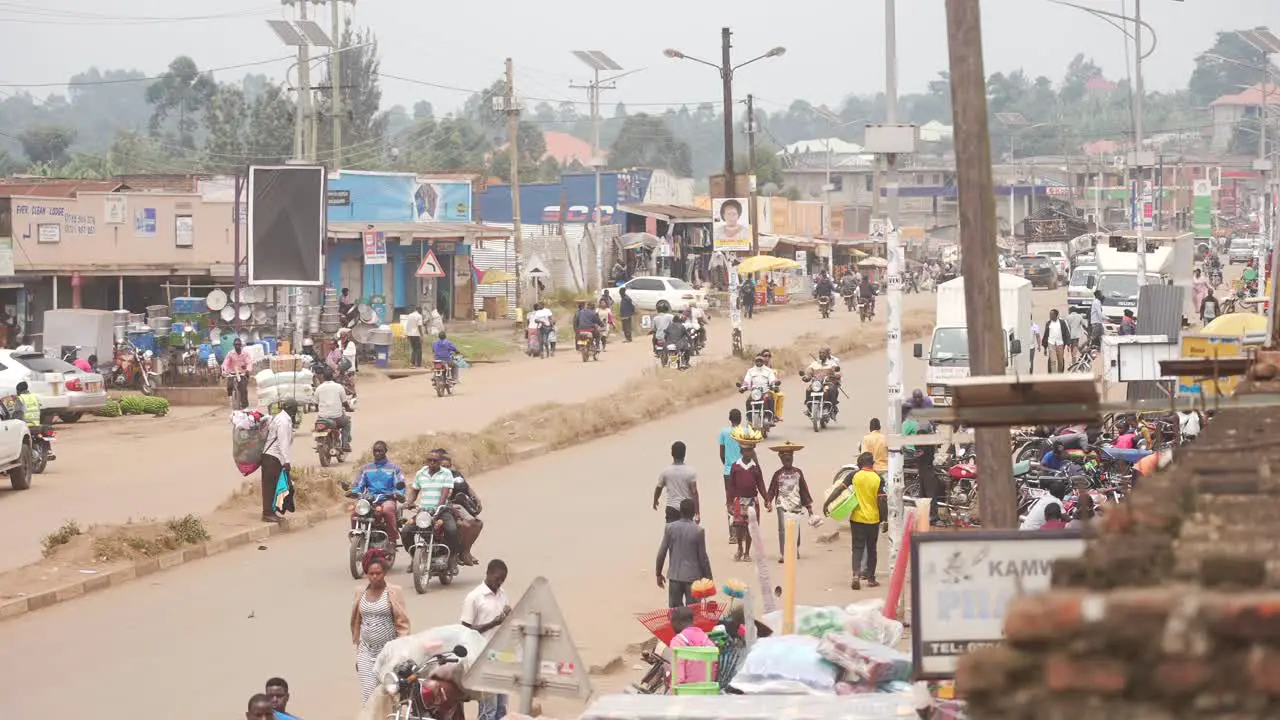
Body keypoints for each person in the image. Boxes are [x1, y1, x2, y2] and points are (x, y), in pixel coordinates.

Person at [350, 548, 411, 704]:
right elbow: (356, 621)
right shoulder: (360, 592)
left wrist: (400, 652)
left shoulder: (394, 592)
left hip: (388, 653)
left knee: (387, 694)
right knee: (369, 695)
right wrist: (357, 647)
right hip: (366, 651)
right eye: (371, 573)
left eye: (378, 573)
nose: (375, 577)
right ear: (366, 573)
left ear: (385, 573)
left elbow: (402, 623)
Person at [461, 559, 512, 720]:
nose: (499, 582)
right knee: (488, 709)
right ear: (488, 573)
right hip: (482, 657)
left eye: (502, 579)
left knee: (502, 708)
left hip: (501, 656)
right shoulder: (474, 597)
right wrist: (493, 623)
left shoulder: (503, 595)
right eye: (497, 578)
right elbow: (465, 629)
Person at [824, 452, 883, 590]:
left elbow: (839, 490)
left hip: (857, 519)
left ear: (860, 464)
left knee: (857, 547)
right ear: (872, 464)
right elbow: (882, 501)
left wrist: (827, 503)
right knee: (872, 549)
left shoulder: (854, 475)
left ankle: (855, 575)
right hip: (873, 519)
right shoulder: (878, 479)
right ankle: (871, 579)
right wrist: (883, 519)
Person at [656, 498, 713, 607]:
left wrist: (658, 574)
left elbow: (661, 552)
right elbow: (703, 558)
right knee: (694, 615)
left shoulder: (670, 528)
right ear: (693, 513)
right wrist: (708, 579)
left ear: (680, 512)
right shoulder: (698, 531)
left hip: (674, 577)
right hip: (693, 579)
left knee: (675, 614)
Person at [725, 428, 769, 562]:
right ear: (741, 451)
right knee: (738, 526)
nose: (749, 453)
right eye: (746, 450)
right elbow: (731, 486)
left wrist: (767, 499)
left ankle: (747, 552)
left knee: (750, 527)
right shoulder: (735, 467)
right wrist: (729, 503)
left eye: (751, 450)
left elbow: (760, 484)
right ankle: (739, 548)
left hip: (752, 501)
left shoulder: (755, 467)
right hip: (739, 500)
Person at [406, 450, 460, 557]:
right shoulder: (420, 473)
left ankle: (452, 558)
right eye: (429, 460)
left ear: (440, 462)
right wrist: (409, 502)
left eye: (435, 461)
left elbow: (444, 494)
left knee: (452, 530)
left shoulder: (446, 473)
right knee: (406, 531)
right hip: (424, 512)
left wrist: (438, 508)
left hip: (441, 511)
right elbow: (414, 491)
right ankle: (414, 557)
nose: (432, 463)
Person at [766, 442, 813, 562]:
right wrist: (768, 502)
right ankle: (783, 553)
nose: (788, 460)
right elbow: (771, 489)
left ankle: (795, 549)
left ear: (792, 458)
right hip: (781, 503)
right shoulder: (778, 474)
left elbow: (803, 490)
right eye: (785, 458)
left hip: (796, 504)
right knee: (782, 528)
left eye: (790, 458)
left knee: (795, 527)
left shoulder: (798, 473)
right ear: (781, 459)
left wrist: (809, 507)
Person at [350, 441, 404, 539]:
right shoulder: (366, 468)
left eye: (380, 451)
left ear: (385, 451)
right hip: (369, 499)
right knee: (354, 512)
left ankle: (392, 539)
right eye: (375, 451)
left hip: (387, 498)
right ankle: (355, 536)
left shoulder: (394, 469)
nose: (377, 453)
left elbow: (400, 484)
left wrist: (398, 493)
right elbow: (359, 484)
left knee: (387, 511)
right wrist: (354, 492)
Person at [260, 402, 297, 524]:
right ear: (292, 410)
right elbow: (283, 442)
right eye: (296, 410)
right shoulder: (284, 421)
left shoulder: (280, 417)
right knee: (270, 486)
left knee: (272, 485)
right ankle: (268, 513)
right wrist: (287, 461)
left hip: (270, 456)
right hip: (273, 457)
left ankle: (272, 510)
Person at [654, 441, 699, 524]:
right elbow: (694, 492)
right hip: (687, 509)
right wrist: (697, 513)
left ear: (672, 453)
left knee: (671, 533)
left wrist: (655, 500)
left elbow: (659, 488)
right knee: (687, 533)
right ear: (685, 454)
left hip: (672, 508)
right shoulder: (690, 472)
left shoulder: (666, 471)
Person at [718, 409, 745, 541]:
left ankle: (733, 534)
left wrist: (727, 465)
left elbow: (722, 454)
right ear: (740, 419)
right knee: (743, 500)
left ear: (730, 419)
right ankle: (743, 532)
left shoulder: (724, 433)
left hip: (728, 472)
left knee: (730, 501)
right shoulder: (745, 432)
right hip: (743, 471)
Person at [315, 369, 353, 451]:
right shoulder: (339, 387)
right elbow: (345, 402)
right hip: (337, 418)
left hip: (322, 418)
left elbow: (316, 403)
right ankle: (345, 444)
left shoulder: (318, 388)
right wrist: (349, 408)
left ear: (323, 377)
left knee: (317, 425)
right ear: (332, 377)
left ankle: (318, 443)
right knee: (347, 423)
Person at [802, 347, 842, 417]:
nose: (821, 354)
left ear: (827, 355)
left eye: (823, 353)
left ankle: (833, 407)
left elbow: (835, 368)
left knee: (832, 389)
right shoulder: (814, 363)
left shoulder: (831, 363)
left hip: (827, 383)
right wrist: (806, 377)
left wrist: (836, 369)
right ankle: (809, 407)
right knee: (808, 389)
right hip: (817, 383)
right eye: (820, 353)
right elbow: (809, 371)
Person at [739, 353, 779, 418]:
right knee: (748, 401)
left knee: (770, 398)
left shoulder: (768, 371)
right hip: (755, 393)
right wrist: (743, 388)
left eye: (760, 361)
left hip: (765, 392)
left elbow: (772, 380)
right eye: (757, 361)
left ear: (763, 361)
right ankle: (749, 419)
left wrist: (774, 386)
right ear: (755, 361)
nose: (759, 362)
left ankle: (770, 417)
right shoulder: (750, 371)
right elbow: (746, 380)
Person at [222, 337, 253, 410]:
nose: (237, 346)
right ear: (233, 345)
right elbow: (225, 363)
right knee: (229, 386)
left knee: (243, 389)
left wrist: (247, 370)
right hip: (232, 373)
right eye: (236, 345)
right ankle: (230, 399)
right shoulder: (230, 354)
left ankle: (245, 406)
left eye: (239, 344)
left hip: (242, 374)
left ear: (241, 345)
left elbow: (249, 363)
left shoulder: (245, 354)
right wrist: (224, 371)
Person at [1042, 309, 1072, 373]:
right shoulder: (1048, 323)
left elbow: (1066, 333)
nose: (1050, 316)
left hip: (1060, 343)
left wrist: (1068, 344)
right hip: (1051, 343)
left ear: (1056, 315)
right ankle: (1053, 375)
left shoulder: (1062, 323)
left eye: (1051, 314)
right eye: (1050, 314)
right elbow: (1045, 334)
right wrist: (1045, 347)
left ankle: (1059, 374)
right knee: (1052, 361)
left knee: (1060, 361)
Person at [759, 349, 785, 421]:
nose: (767, 357)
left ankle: (776, 415)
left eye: (769, 356)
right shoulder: (758, 366)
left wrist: (776, 384)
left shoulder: (771, 368)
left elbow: (775, 378)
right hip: (759, 389)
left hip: (769, 388)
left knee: (781, 395)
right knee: (774, 395)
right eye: (765, 356)